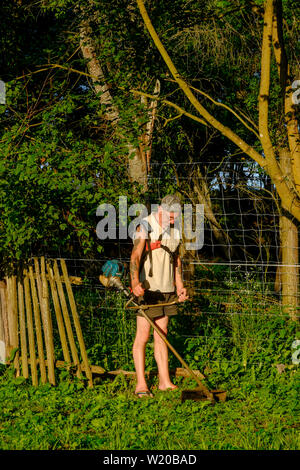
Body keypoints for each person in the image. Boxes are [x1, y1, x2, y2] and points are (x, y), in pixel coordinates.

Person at [130, 194, 189, 397]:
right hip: (149, 290)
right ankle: (141, 385)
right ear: (161, 210)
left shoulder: (175, 229)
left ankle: (164, 381)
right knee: (143, 336)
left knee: (162, 335)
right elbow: (136, 255)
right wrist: (134, 282)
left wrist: (179, 285)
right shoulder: (145, 226)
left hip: (167, 291)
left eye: (176, 216)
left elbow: (176, 258)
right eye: (171, 215)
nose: (173, 219)